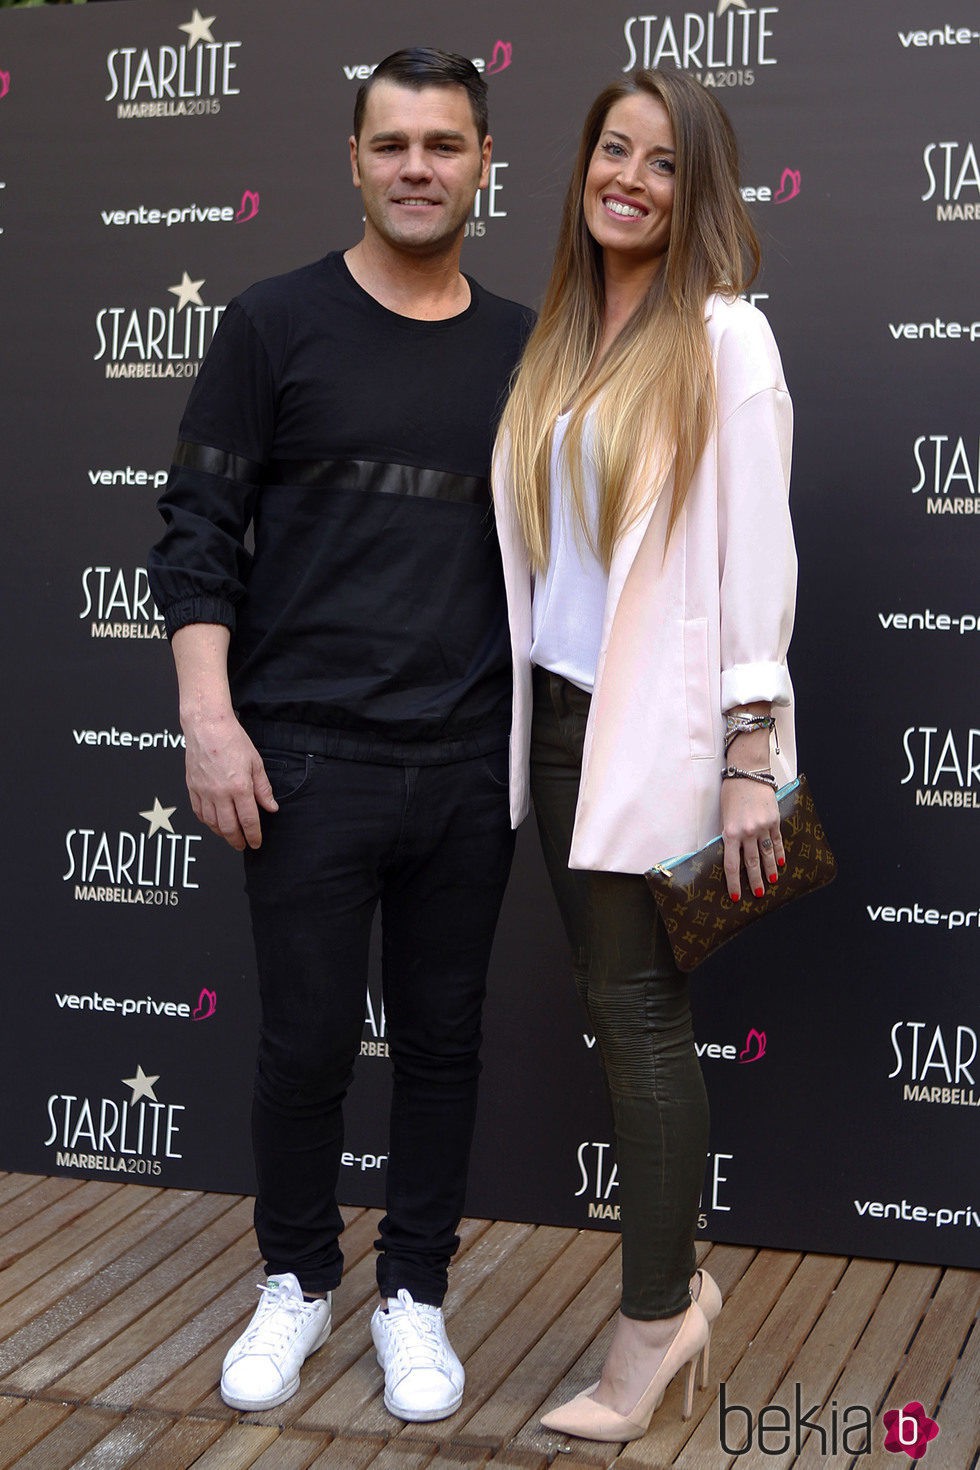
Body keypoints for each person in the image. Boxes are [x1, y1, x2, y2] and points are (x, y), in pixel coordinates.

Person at [148, 48, 532, 1423]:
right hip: (301, 762)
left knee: (442, 1041)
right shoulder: (270, 323)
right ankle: (297, 1277)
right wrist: (210, 718)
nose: (417, 166)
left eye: (443, 142)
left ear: (487, 159)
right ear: (354, 161)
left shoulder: (529, 346)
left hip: (469, 764)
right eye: (392, 144)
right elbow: (194, 535)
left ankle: (412, 1292)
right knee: (305, 1043)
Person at [492, 68, 796, 1442]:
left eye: (663, 162)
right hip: (551, 727)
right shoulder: (563, 335)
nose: (630, 176)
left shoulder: (728, 337)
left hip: (656, 737)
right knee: (626, 1010)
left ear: (700, 188)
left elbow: (757, 562)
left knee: (644, 1021)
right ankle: (677, 1288)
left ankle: (656, 1315)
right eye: (612, 148)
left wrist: (753, 755)